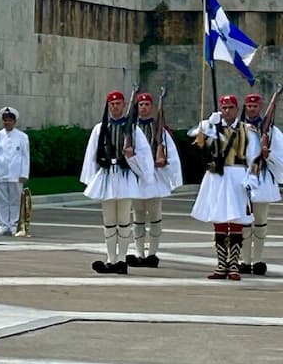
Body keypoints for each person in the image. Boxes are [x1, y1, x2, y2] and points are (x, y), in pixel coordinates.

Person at [80, 90, 153, 274]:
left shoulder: (134, 130)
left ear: (123, 105)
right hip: (107, 176)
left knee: (123, 220)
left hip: (125, 175)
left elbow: (145, 156)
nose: (115, 107)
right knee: (109, 220)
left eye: (118, 103)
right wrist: (91, 179)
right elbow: (92, 155)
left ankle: (122, 259)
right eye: (112, 104)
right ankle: (111, 259)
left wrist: (132, 156)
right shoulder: (100, 128)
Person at [192, 94, 259, 280]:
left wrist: (251, 177)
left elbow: (254, 155)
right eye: (224, 108)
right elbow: (199, 145)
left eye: (230, 107)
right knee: (219, 219)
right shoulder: (212, 128)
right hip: (217, 177)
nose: (227, 111)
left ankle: (234, 266)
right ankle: (222, 265)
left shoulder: (247, 130)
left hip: (237, 175)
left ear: (237, 109)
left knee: (236, 221)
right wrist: (207, 127)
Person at [127, 92, 182, 267]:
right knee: (138, 216)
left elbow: (168, 152)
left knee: (155, 216)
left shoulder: (159, 129)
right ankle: (139, 252)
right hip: (137, 176)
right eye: (141, 104)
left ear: (151, 107)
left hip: (154, 178)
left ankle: (152, 254)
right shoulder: (131, 128)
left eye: (147, 104)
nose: (143, 107)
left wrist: (163, 161)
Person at [239, 92, 282, 275]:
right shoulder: (239, 128)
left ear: (260, 107)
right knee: (245, 224)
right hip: (242, 180)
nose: (251, 109)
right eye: (249, 106)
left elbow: (280, 156)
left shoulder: (271, 131)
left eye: (255, 106)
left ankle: (258, 260)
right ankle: (245, 261)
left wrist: (268, 154)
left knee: (261, 223)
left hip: (263, 180)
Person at [0, 106, 30, 236]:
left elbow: (25, 156)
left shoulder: (22, 137)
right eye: (5, 120)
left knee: (15, 200)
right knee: (1, 201)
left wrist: (24, 173)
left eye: (10, 120)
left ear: (14, 121)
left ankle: (14, 224)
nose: (7, 122)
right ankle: (3, 224)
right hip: (0, 172)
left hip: (16, 174)